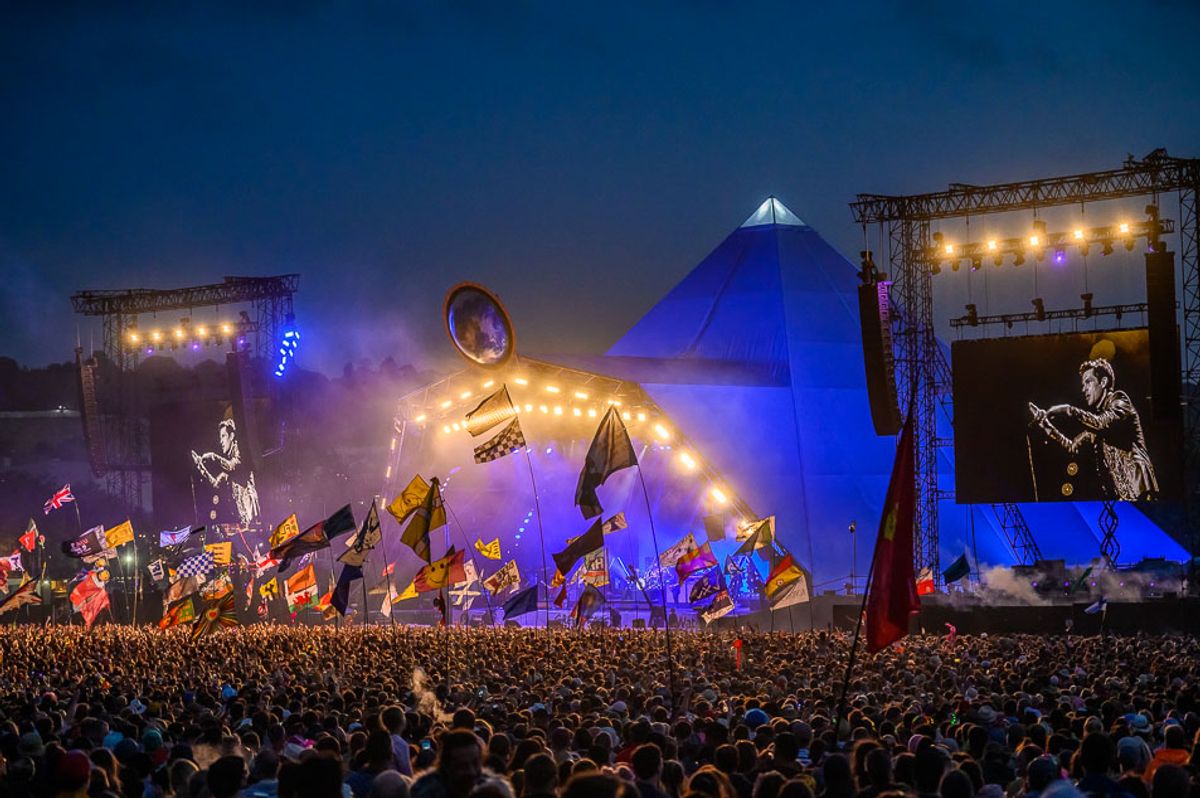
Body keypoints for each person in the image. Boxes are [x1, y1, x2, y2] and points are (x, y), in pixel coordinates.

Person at [1028, 357, 1158, 500]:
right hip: (1123, 499)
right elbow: (1072, 447)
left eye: (1088, 382)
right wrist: (1046, 425)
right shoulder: (1095, 423)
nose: (1084, 389)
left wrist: (1068, 410)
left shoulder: (1120, 400)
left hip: (1141, 492)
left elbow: (1101, 423)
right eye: (1083, 384)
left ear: (1103, 382)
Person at [191, 417, 260, 524]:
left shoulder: (241, 452)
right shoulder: (228, 469)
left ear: (231, 436)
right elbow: (215, 484)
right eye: (220, 437)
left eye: (223, 436)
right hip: (242, 520)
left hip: (253, 519)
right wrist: (201, 467)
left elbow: (231, 466)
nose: (221, 441)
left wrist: (212, 456)